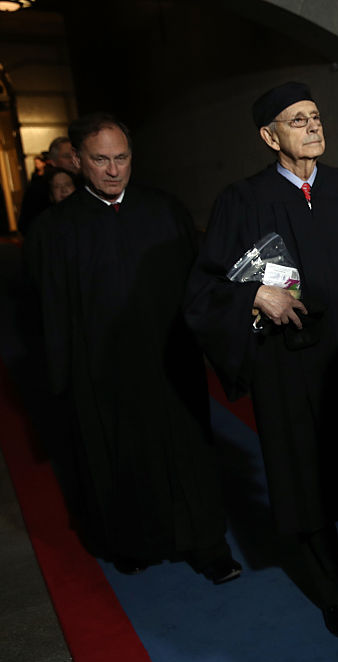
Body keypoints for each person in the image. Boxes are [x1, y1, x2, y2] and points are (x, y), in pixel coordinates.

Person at [184, 81, 338, 641]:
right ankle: (333, 592)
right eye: (297, 120)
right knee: (308, 488)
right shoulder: (243, 200)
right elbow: (205, 289)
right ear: (269, 136)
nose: (313, 127)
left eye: (315, 117)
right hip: (289, 372)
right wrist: (254, 295)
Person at [30, 113, 240, 583]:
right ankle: (129, 543)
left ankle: (208, 547)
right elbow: (49, 311)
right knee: (115, 459)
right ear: (78, 161)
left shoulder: (166, 210)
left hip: (172, 363)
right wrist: (61, 380)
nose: (112, 170)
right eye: (100, 159)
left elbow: (198, 286)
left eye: (121, 158)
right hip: (101, 373)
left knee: (188, 456)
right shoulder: (56, 229)